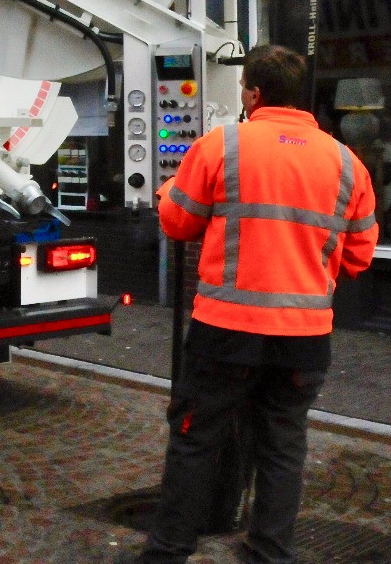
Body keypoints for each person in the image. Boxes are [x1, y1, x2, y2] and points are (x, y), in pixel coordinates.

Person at [126, 45, 378, 564]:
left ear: (254, 94)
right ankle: (269, 552)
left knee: (196, 440)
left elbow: (177, 222)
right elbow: (359, 256)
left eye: (243, 87)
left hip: (225, 332)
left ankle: (168, 553)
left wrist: (170, 189)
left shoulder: (222, 146)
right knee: (283, 449)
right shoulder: (348, 164)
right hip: (304, 337)